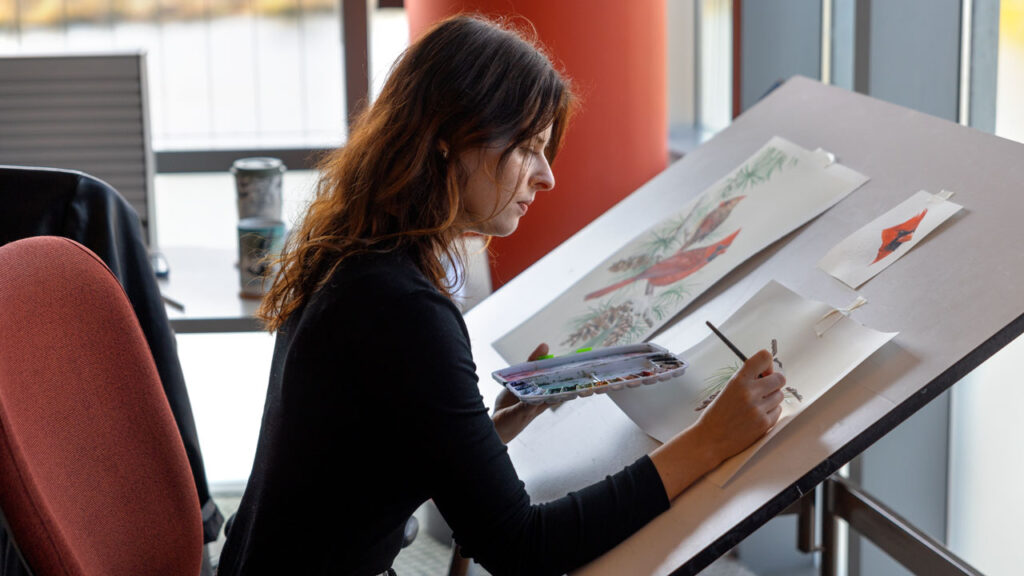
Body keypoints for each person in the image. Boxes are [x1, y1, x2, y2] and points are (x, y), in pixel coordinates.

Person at [216, 14, 786, 576]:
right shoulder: (403, 309)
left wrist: (481, 437)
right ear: (449, 143)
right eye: (528, 147)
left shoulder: (356, 257)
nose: (546, 176)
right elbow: (523, 548)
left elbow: (349, 474)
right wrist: (709, 442)